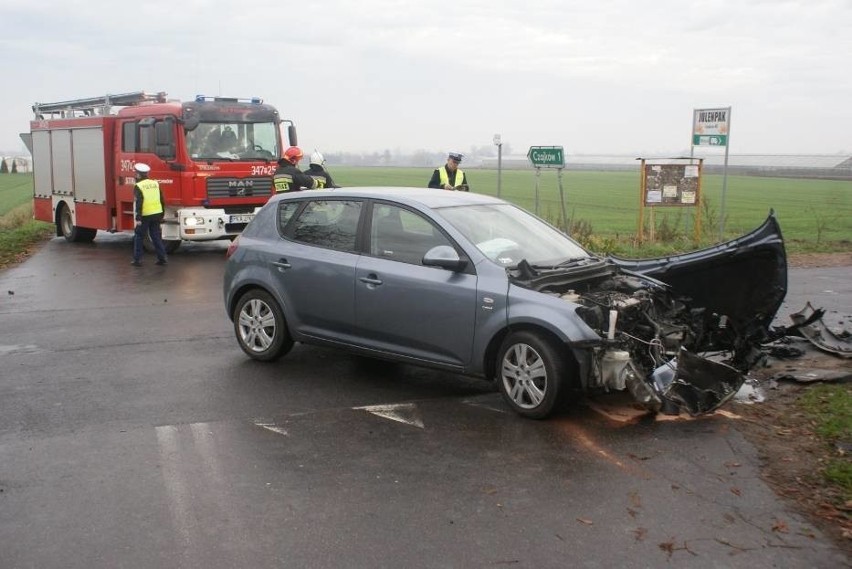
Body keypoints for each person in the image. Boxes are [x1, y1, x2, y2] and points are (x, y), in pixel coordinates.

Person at [131, 163, 168, 266]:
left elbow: (139, 202)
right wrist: (162, 214)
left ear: (138, 175)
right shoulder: (155, 183)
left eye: (136, 174)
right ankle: (162, 258)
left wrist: (138, 217)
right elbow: (161, 200)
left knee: (139, 236)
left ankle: (137, 260)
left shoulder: (138, 186)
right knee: (156, 236)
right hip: (156, 214)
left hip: (145, 215)